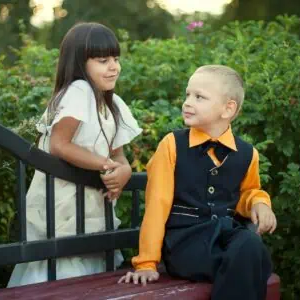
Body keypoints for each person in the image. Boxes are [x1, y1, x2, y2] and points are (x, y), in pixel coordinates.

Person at [119, 65, 277, 300]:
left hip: (225, 240)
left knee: (250, 245)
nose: (187, 102)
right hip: (185, 244)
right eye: (188, 95)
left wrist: (260, 203)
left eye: (199, 97)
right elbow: (157, 204)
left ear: (228, 109)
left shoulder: (247, 153)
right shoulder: (172, 145)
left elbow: (249, 191)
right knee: (251, 260)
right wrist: (147, 264)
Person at [7, 22, 142, 287]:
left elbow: (119, 155)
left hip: (89, 203)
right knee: (62, 272)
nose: (114, 66)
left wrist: (123, 170)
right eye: (103, 60)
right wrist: (106, 166)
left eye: (116, 59)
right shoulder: (79, 91)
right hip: (63, 201)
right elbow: (60, 144)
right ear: (79, 63)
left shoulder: (112, 103)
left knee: (85, 269)